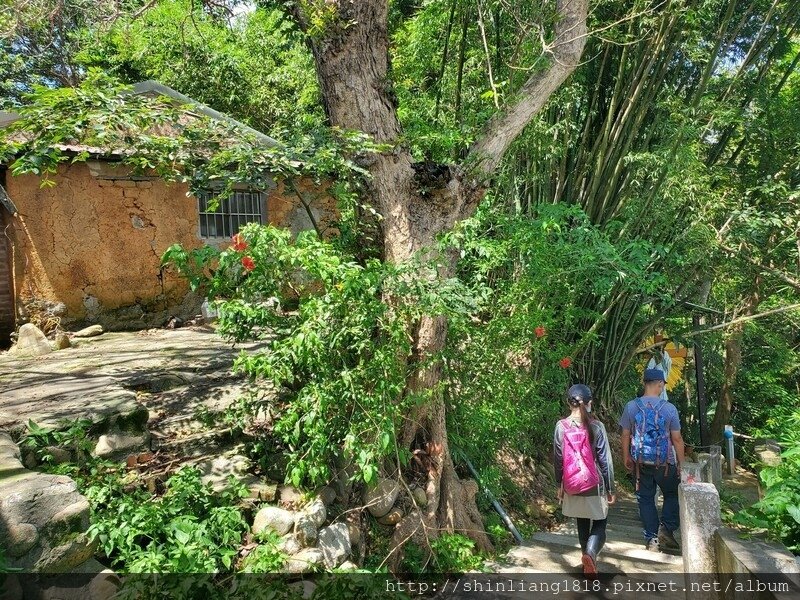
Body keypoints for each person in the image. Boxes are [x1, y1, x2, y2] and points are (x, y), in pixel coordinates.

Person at [619, 369, 685, 552]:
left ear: (644, 384)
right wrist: (682, 463)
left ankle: (652, 539)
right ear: (660, 384)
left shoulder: (631, 406)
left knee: (645, 499)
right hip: (665, 463)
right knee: (672, 494)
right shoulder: (669, 408)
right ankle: (666, 529)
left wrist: (626, 457)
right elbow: (677, 439)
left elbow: (625, 435)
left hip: (640, 463)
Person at [553, 384, 616, 575]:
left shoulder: (560, 426)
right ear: (589, 404)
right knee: (600, 521)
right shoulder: (596, 426)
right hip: (594, 482)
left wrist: (560, 484)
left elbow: (558, 458)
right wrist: (611, 488)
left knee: (581, 520)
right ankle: (590, 553)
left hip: (572, 482)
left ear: (568, 403)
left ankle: (587, 561)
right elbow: (605, 460)